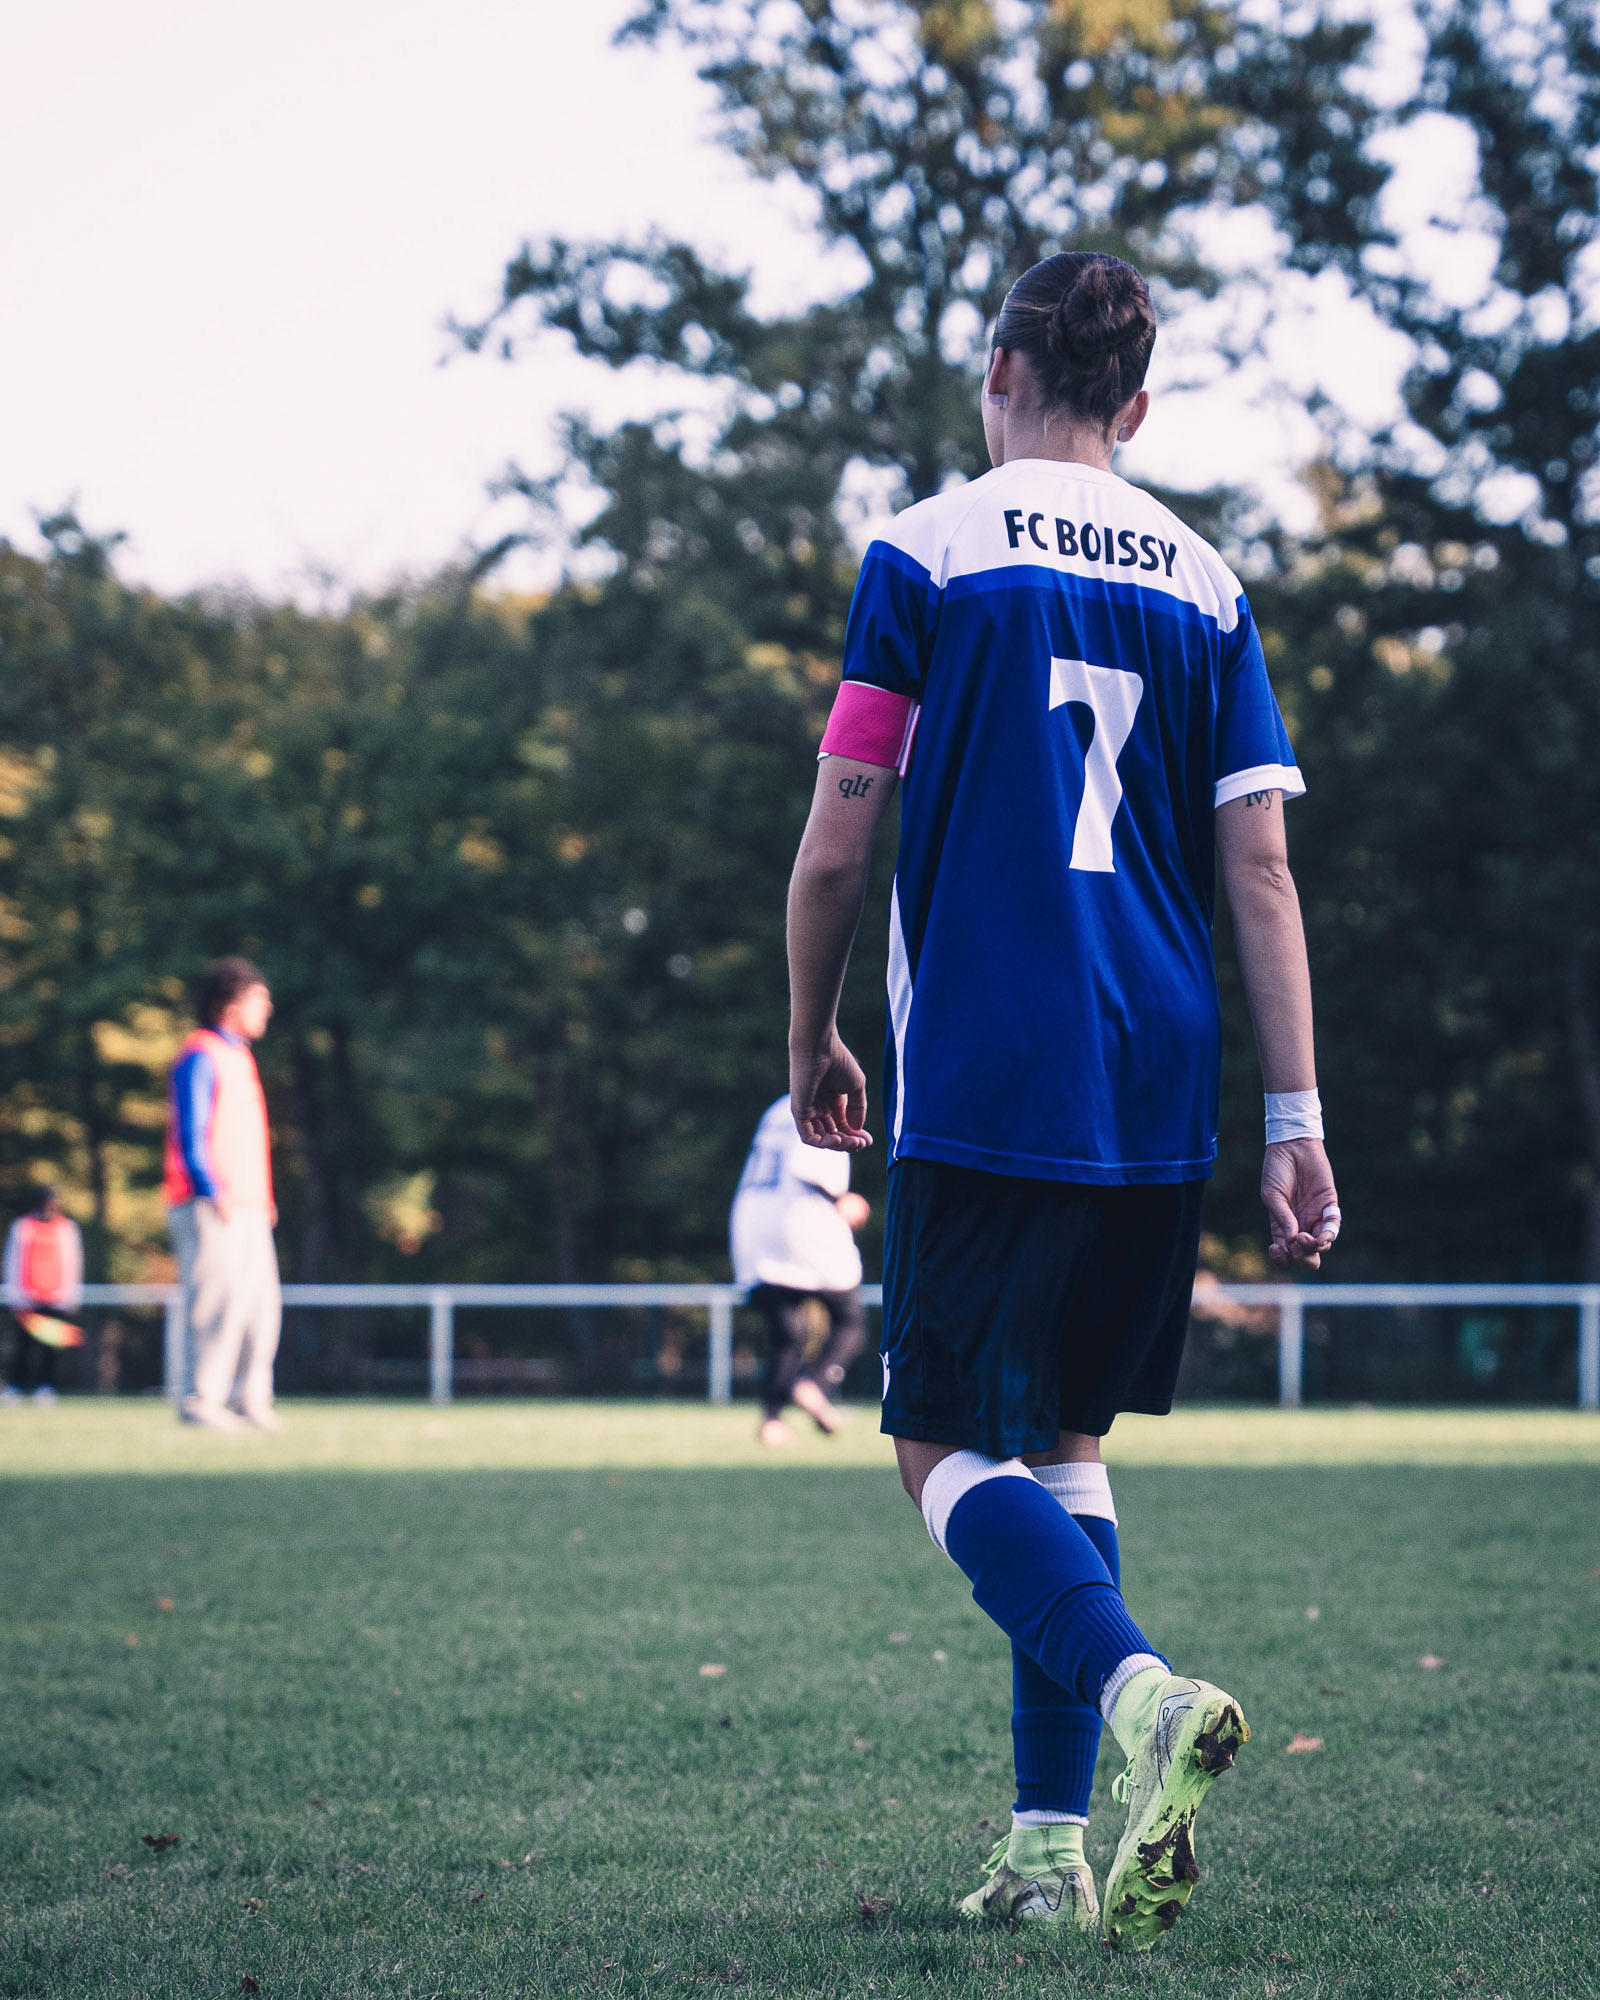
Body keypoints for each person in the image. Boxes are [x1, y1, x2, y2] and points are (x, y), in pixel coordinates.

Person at [784, 252, 1340, 1952]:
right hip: (1154, 1068)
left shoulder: (928, 550)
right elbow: (1261, 868)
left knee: (934, 1440)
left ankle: (1140, 1694)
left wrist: (810, 1033)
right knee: (1065, 1441)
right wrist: (1296, 1118)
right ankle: (1047, 1852)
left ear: (1001, 373)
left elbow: (840, 838)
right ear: (1139, 405)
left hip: (992, 1059)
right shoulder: (1208, 582)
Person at [164, 957, 283, 1432]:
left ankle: (250, 1399)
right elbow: (190, 1131)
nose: (267, 1008)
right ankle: (202, 1400)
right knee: (216, 1305)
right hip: (210, 1203)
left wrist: (263, 1198)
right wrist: (210, 1189)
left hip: (249, 1206)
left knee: (259, 1306)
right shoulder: (200, 1054)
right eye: (258, 1000)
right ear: (229, 1005)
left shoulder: (241, 1057)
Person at [730, 1094, 870, 1444]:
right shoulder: (825, 1101)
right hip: (801, 1221)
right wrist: (841, 1199)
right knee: (850, 1321)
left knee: (787, 1334)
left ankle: (771, 1420)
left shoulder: (776, 1108)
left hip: (752, 1220)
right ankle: (814, 1384)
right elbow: (810, 1165)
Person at [1, 1188, 84, 1405]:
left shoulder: (67, 1228)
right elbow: (13, 1260)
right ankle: (15, 1387)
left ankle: (46, 1388)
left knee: (50, 1349)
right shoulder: (23, 1227)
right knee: (22, 1346)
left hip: (55, 1298)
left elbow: (73, 1262)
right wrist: (15, 1294)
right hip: (27, 1298)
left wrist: (71, 1294)